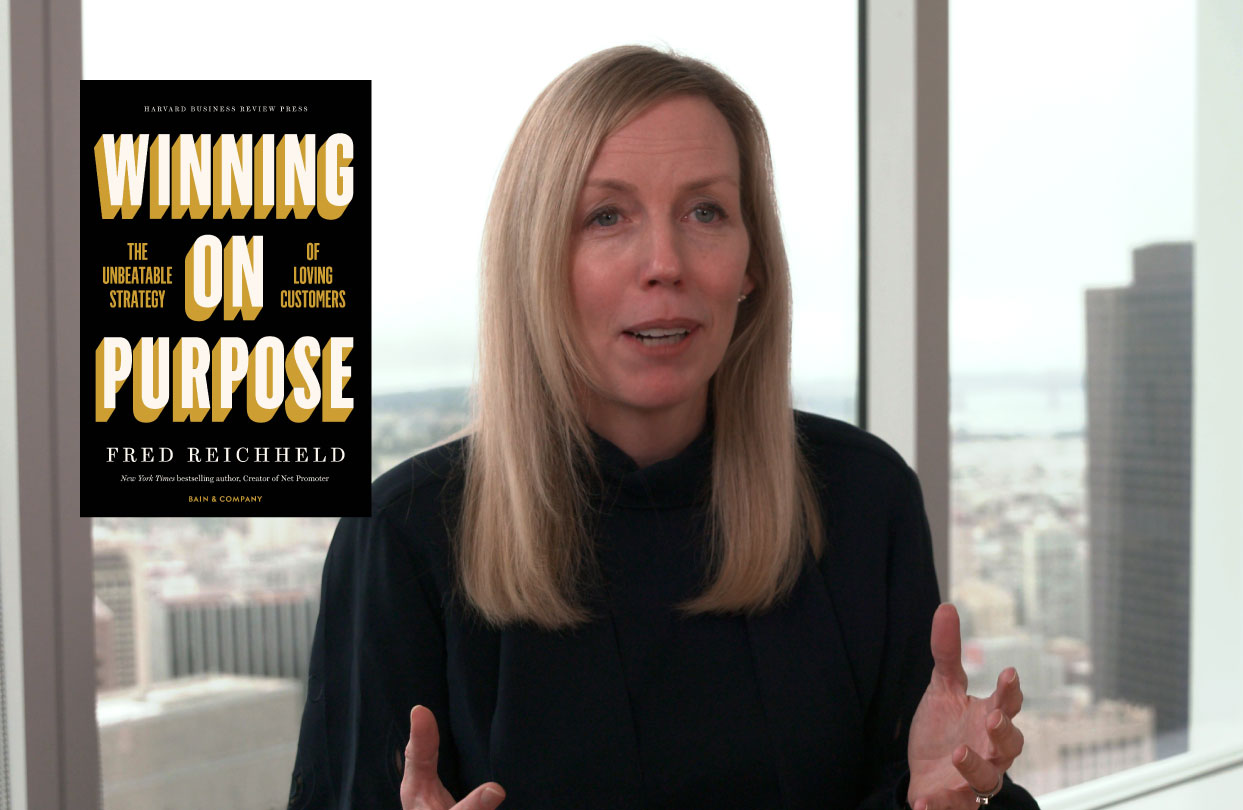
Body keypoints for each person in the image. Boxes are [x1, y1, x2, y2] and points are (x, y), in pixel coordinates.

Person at [287, 46, 1039, 810]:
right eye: (606, 216)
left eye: (705, 211)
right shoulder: (406, 537)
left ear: (751, 265)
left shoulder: (860, 497)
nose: (664, 262)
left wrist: (957, 800)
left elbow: (941, 786)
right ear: (536, 263)